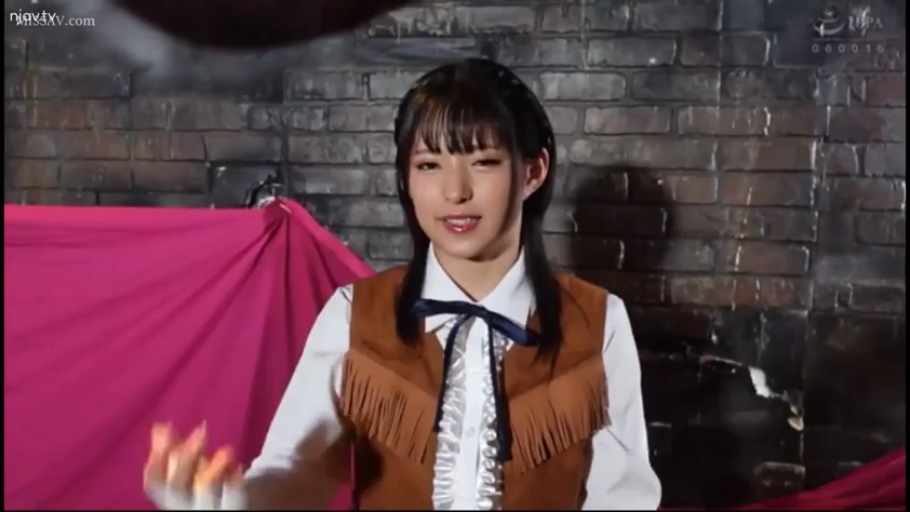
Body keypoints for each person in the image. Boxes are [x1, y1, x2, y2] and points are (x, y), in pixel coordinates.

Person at [143, 58, 662, 510]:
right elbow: (296, 472)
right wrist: (221, 501)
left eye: (483, 162)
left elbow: (622, 500)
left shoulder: (599, 321)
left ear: (532, 171)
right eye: (429, 164)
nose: (454, 191)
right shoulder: (354, 314)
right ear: (406, 179)